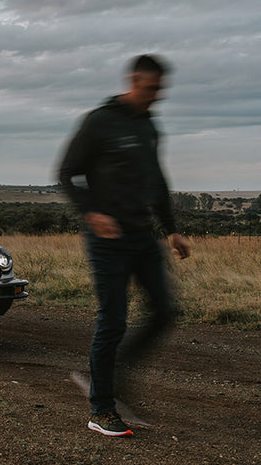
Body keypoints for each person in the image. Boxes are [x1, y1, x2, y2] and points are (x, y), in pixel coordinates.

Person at [57, 54, 192, 437]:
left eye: (160, 90)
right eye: (151, 88)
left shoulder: (149, 125)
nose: (156, 96)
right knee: (113, 321)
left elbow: (157, 181)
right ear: (134, 80)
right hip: (106, 240)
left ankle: (111, 381)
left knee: (165, 311)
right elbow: (66, 173)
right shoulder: (100, 122)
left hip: (142, 236)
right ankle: (101, 408)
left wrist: (171, 229)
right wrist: (91, 213)